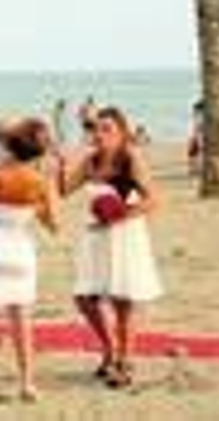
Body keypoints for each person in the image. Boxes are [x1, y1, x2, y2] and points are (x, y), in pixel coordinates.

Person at [57, 106, 163, 389]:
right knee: (84, 298)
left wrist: (119, 216)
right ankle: (109, 350)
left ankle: (125, 363)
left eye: (108, 129)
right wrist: (63, 163)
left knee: (122, 302)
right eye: (96, 129)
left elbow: (153, 200)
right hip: (95, 238)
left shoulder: (130, 159)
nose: (100, 134)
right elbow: (64, 190)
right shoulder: (90, 162)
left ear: (121, 133)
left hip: (123, 235)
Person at [0, 117, 59, 403]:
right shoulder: (39, 181)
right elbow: (52, 224)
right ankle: (27, 383)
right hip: (19, 250)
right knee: (21, 319)